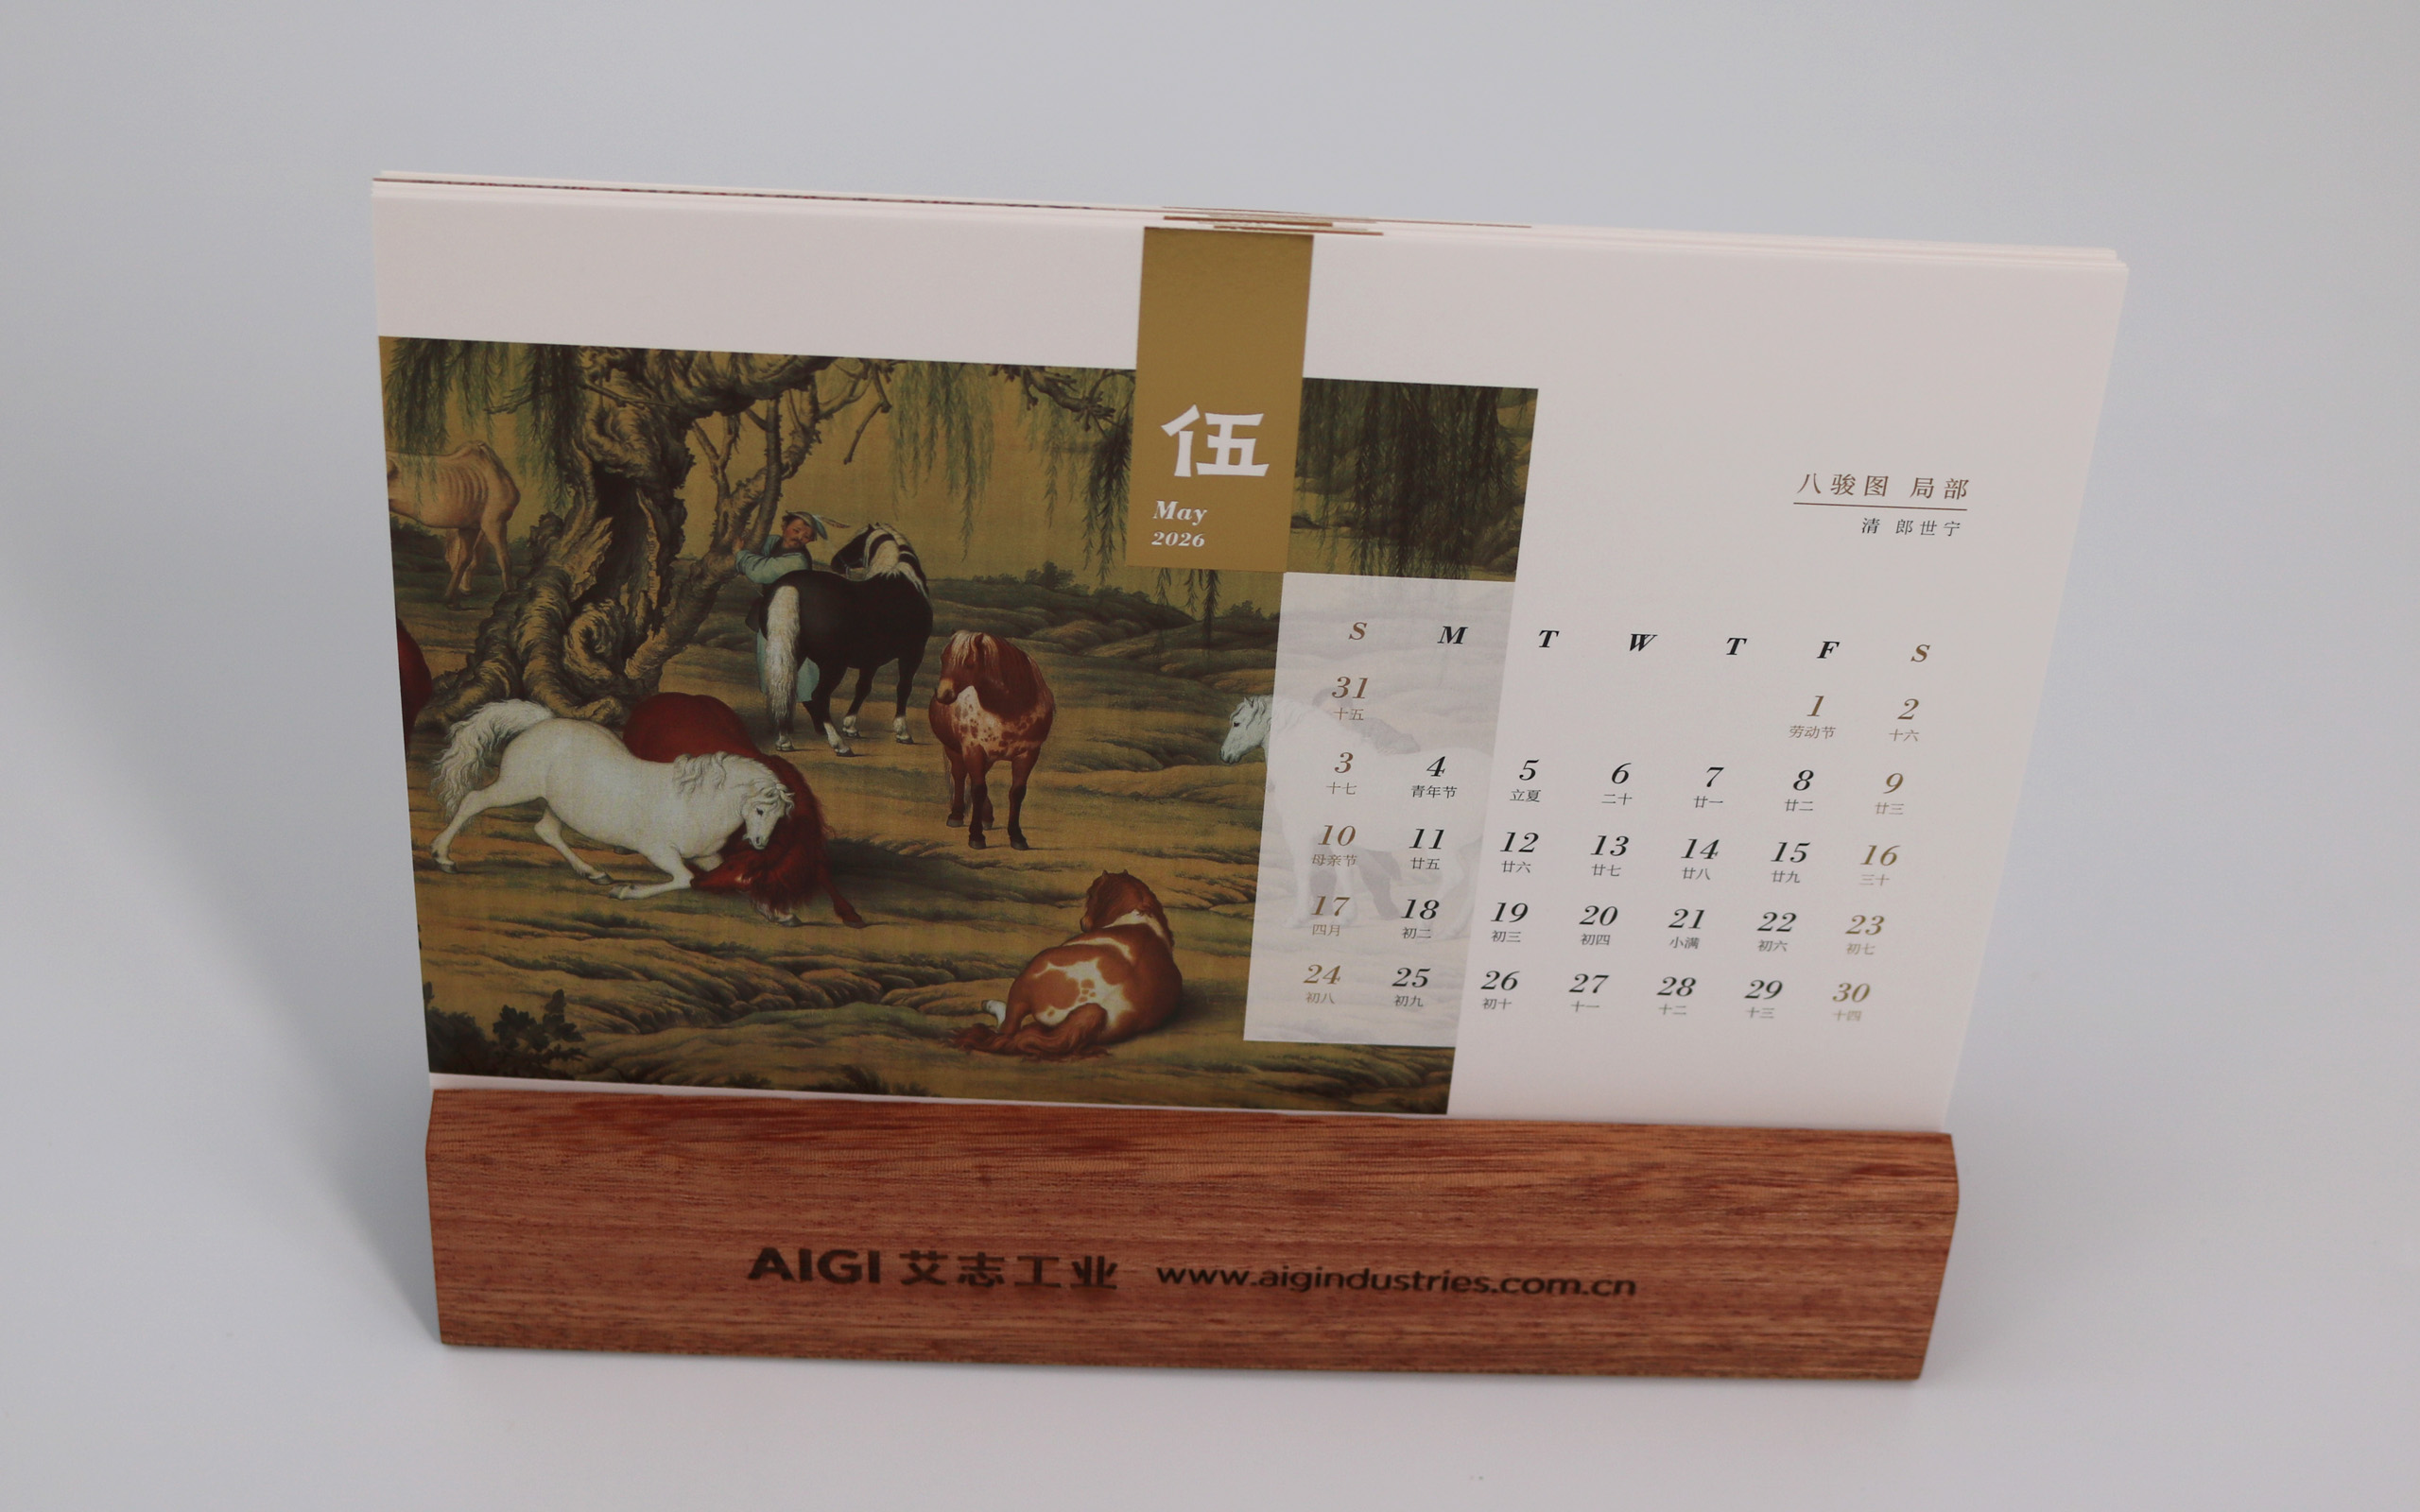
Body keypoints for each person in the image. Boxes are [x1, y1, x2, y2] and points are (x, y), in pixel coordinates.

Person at [740, 512, 846, 711]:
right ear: (784, 526)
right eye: (796, 530)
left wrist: (740, 554)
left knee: (799, 674)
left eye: (806, 536)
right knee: (772, 669)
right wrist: (748, 539)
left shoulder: (797, 560)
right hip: (770, 617)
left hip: (791, 619)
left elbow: (759, 571)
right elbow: (759, 545)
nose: (799, 537)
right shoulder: (775, 542)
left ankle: (815, 714)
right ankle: (778, 711)